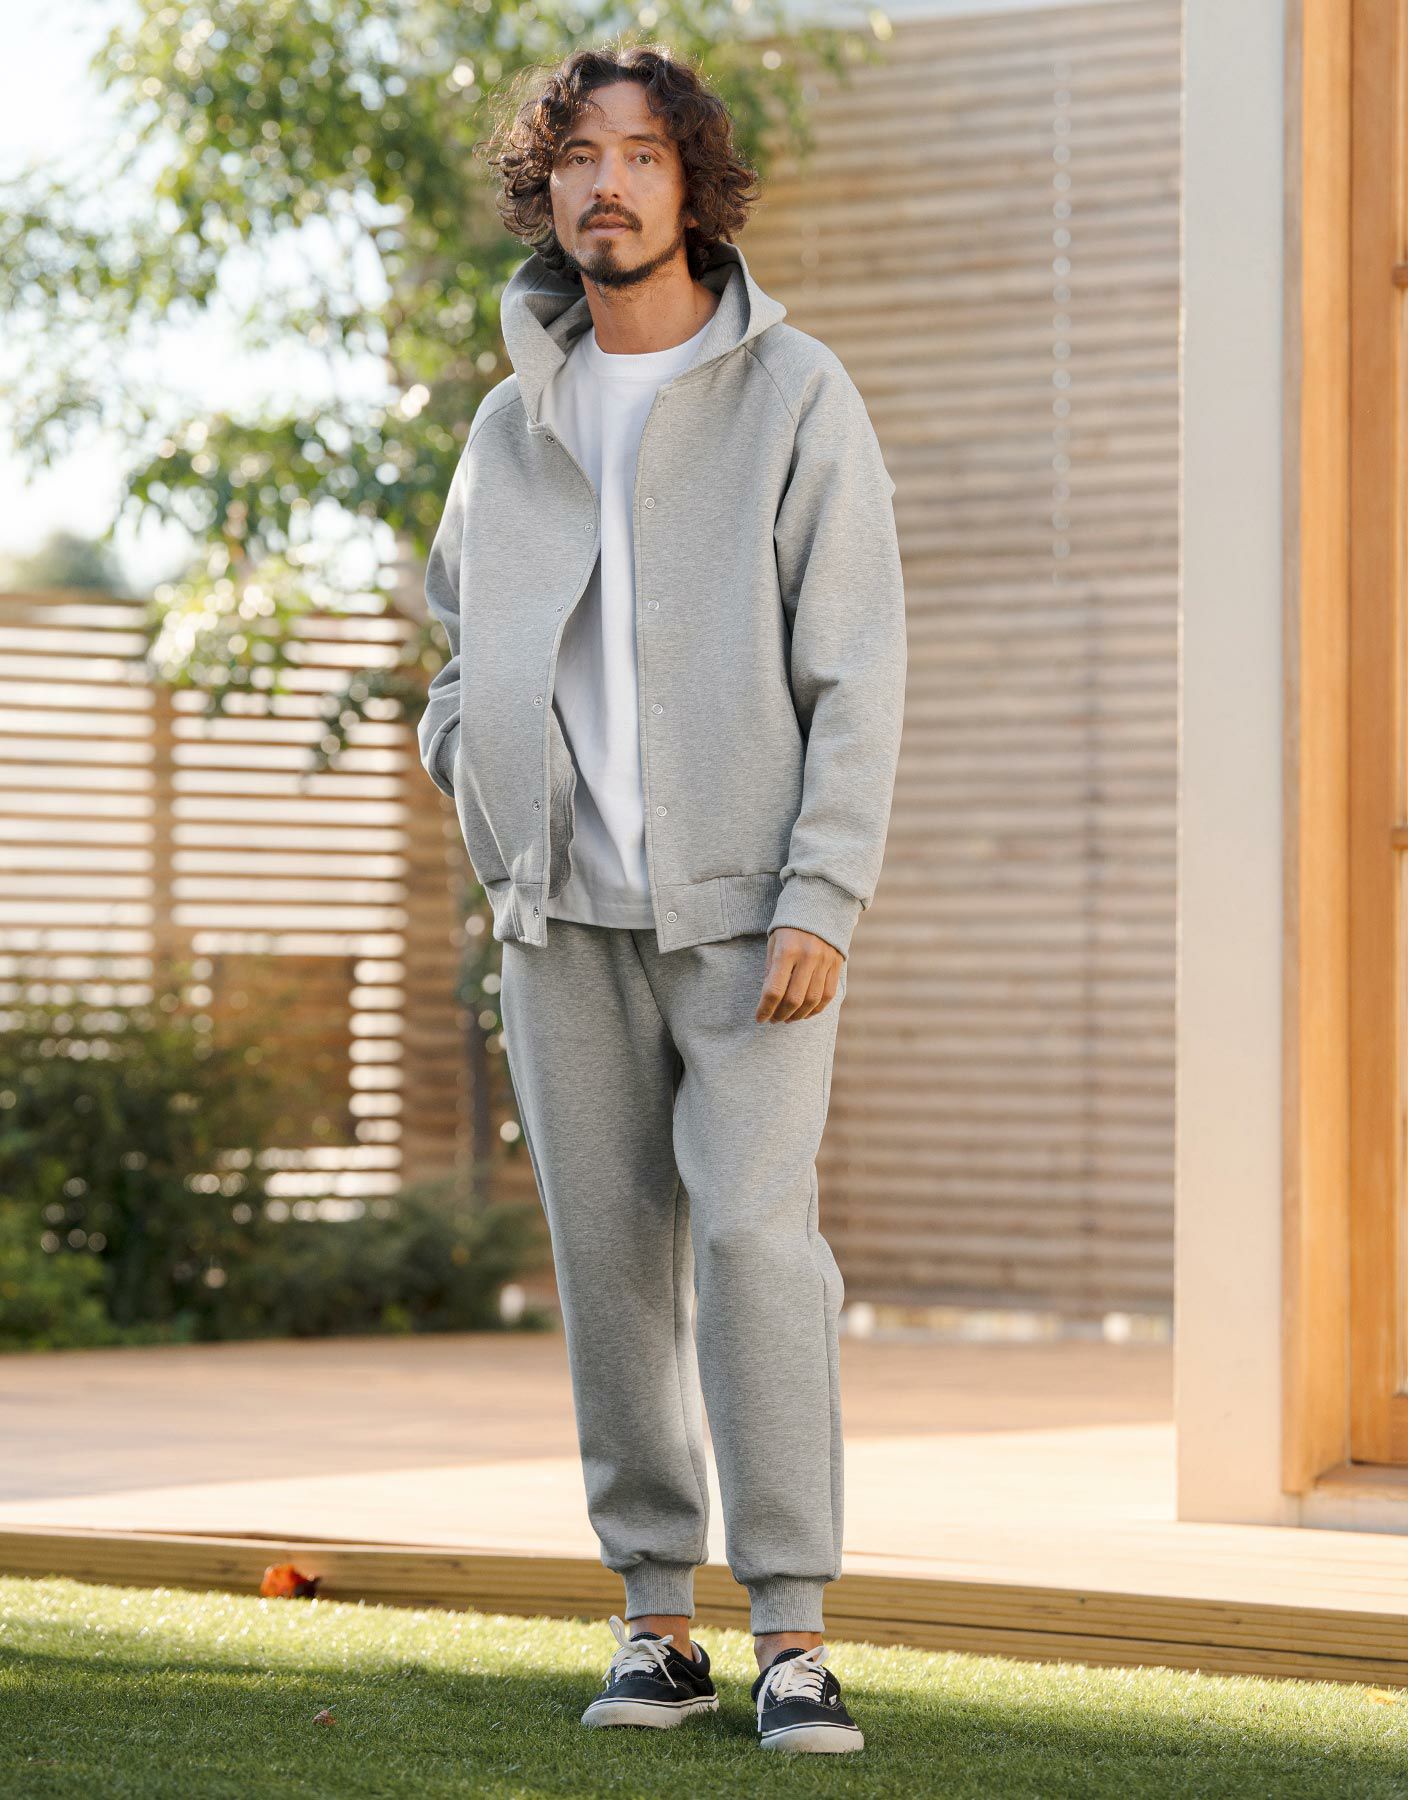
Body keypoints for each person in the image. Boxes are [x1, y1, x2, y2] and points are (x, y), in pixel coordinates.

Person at [417, 39, 906, 1755]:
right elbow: (456, 654)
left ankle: (794, 1633)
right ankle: (654, 1620)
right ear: (545, 190)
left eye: (638, 154)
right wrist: (489, 807)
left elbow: (857, 667)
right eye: (577, 158)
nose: (606, 185)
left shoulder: (795, 395)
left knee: (757, 1247)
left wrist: (823, 891)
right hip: (561, 924)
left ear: (692, 184)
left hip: (751, 918)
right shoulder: (510, 423)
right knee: (610, 1264)